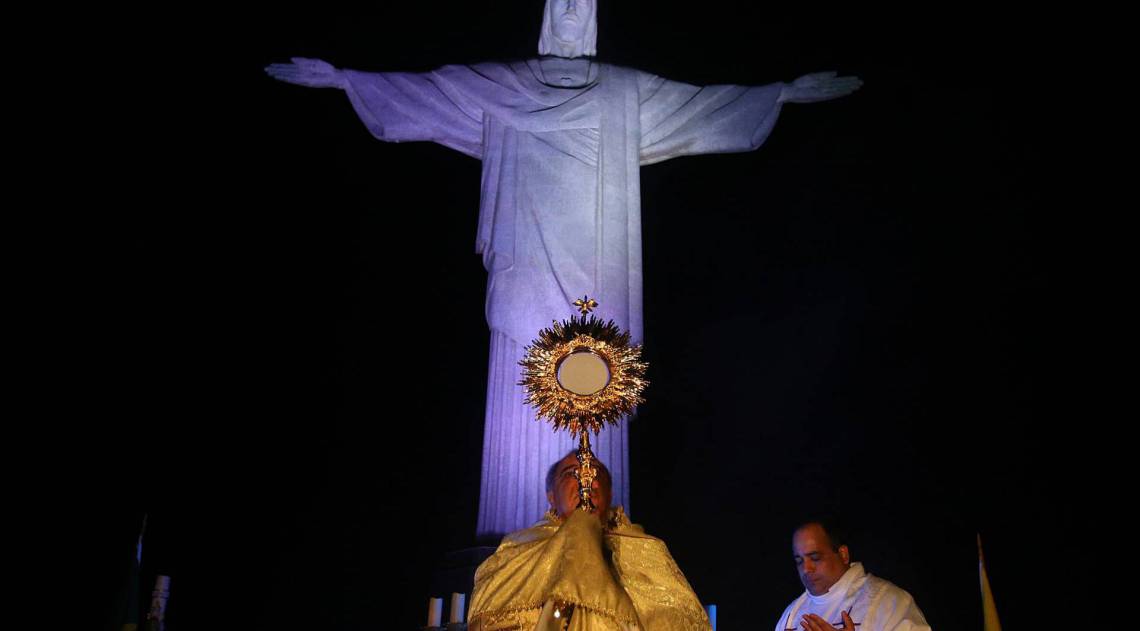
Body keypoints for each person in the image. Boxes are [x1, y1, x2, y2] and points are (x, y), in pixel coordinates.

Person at [266, 0, 862, 536]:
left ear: (596, 17)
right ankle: (512, 532)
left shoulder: (624, 92)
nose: (574, 11)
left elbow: (701, 105)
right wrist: (345, 80)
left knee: (606, 375)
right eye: (564, 2)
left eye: (585, 3)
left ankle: (596, 528)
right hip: (526, 266)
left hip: (599, 273)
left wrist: (779, 94)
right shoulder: (504, 86)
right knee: (524, 373)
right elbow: (427, 93)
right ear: (549, 14)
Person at [467, 451, 712, 630]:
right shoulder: (517, 551)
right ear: (551, 496)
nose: (586, 482)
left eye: (596, 475)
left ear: (610, 492)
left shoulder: (646, 551)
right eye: (570, 474)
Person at [775, 520, 931, 631]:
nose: (806, 569)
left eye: (815, 558)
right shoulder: (791, 614)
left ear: (843, 554)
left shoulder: (888, 602)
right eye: (799, 561)